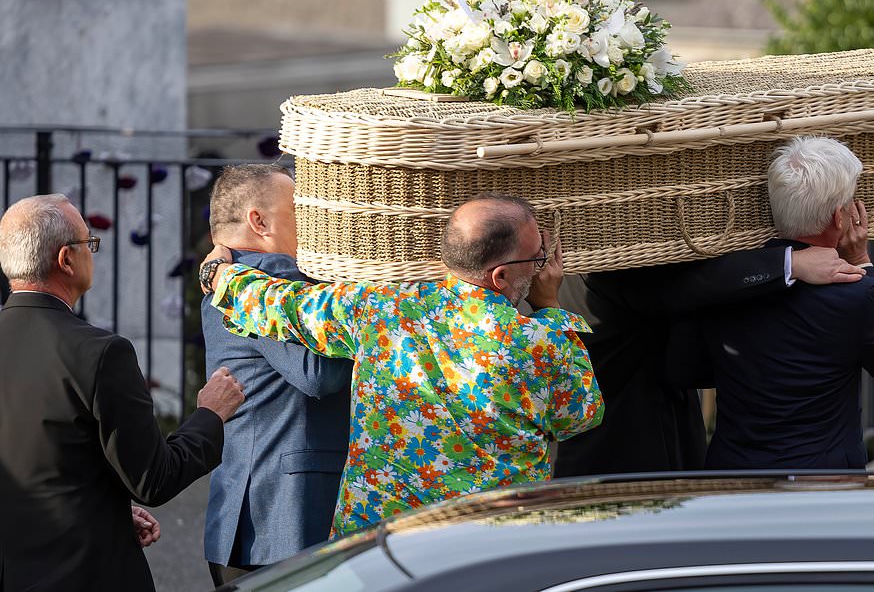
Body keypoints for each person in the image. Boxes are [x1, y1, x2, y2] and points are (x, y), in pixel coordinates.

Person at [200, 192, 602, 536]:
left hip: (381, 545)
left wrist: (218, 273)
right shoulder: (542, 343)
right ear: (499, 276)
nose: (543, 266)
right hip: (489, 544)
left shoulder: (380, 308)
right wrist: (549, 306)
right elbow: (580, 416)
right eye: (538, 258)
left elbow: (281, 303)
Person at [0, 194, 245, 592]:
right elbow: (153, 478)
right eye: (88, 243)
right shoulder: (99, 353)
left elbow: (40, 463)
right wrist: (210, 415)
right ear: (66, 259)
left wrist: (107, 509)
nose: (91, 253)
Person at [554, 245, 867, 477]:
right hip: (620, 451)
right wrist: (790, 263)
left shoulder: (599, 258)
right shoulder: (616, 264)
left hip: (650, 434)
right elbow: (692, 285)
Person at [698, 136, 874, 470]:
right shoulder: (855, 294)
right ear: (839, 217)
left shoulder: (726, 283)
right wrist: (861, 259)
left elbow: (684, 368)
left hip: (734, 482)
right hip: (824, 491)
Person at [200, 165, 353, 586]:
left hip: (251, 513)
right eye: (298, 211)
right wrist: (354, 303)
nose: (311, 225)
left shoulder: (230, 278)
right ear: (258, 221)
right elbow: (317, 374)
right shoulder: (271, 275)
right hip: (286, 516)